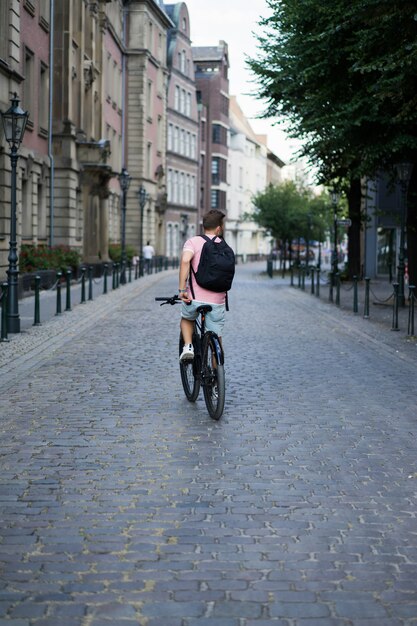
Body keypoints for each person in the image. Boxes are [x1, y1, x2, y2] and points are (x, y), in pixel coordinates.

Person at [178, 209, 231, 362]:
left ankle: (188, 346)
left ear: (203, 226)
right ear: (219, 228)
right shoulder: (224, 246)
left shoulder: (193, 242)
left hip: (194, 299)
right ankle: (216, 378)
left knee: (187, 318)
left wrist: (182, 290)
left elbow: (185, 260)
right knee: (216, 340)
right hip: (218, 301)